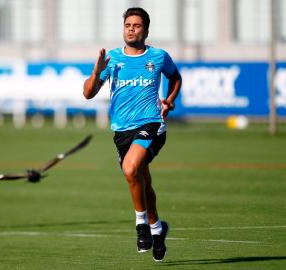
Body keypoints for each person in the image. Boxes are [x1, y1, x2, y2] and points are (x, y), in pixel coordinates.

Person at [83, 7, 182, 261]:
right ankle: (158, 229)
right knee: (142, 180)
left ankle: (141, 226)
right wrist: (96, 72)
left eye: (137, 25)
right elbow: (87, 93)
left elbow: (175, 77)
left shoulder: (158, 57)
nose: (131, 29)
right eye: (128, 25)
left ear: (146, 31)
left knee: (130, 168)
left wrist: (169, 100)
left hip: (151, 124)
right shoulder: (113, 59)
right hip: (122, 131)